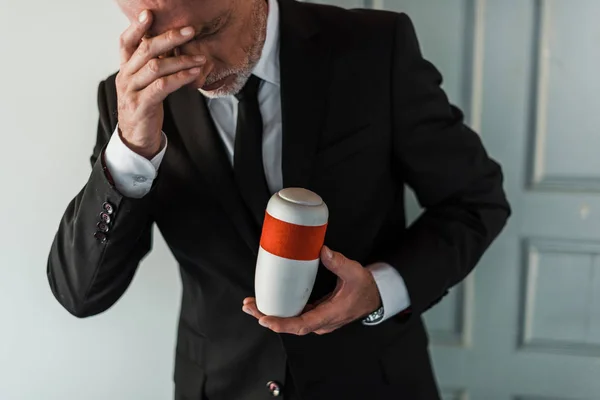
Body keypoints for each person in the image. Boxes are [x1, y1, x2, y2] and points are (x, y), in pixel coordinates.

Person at [47, 0, 511, 398]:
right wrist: (131, 149)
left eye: (205, 32)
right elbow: (80, 293)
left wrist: (379, 289)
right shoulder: (128, 102)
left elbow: (474, 201)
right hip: (217, 386)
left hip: (372, 380)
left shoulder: (374, 48)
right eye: (164, 43)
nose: (195, 69)